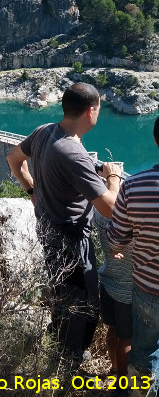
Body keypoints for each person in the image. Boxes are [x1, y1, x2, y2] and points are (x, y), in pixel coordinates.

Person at [6, 82, 121, 365]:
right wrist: (114, 178)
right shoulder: (73, 153)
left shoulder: (45, 131)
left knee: (63, 295)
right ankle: (70, 364)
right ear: (90, 112)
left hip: (47, 230)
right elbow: (109, 208)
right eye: (99, 111)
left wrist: (31, 189)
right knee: (84, 306)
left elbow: (13, 158)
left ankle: (59, 346)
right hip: (72, 241)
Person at [106, 116, 159, 396]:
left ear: (154, 139)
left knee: (145, 349)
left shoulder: (133, 186)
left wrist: (115, 249)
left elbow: (116, 238)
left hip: (148, 288)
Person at [93, 205, 133, 381]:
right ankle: (122, 384)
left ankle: (114, 369)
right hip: (127, 290)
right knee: (126, 339)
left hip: (108, 281)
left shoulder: (99, 213)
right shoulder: (130, 220)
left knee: (113, 330)